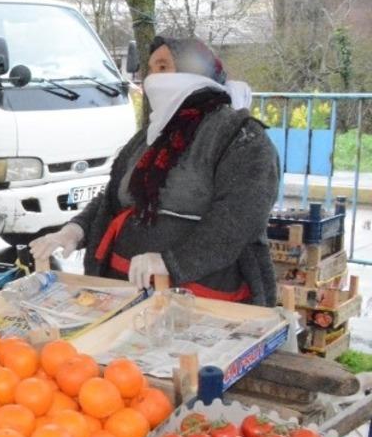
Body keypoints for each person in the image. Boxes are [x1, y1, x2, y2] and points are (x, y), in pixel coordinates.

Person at [30, 36, 279, 304]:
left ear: (194, 70)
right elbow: (114, 198)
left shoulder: (240, 137)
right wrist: (74, 230)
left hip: (201, 299)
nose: (152, 79)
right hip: (124, 290)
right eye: (150, 70)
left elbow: (239, 218)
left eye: (162, 67)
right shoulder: (151, 136)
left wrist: (171, 262)